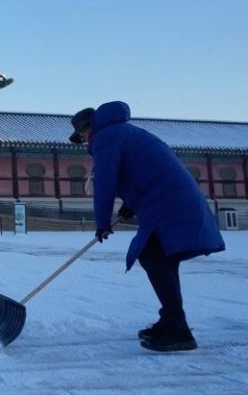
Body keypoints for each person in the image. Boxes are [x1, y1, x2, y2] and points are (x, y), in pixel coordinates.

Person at [70, 101, 225, 352]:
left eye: (81, 136)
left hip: (168, 203)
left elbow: (105, 181)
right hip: (173, 199)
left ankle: (177, 329)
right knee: (160, 256)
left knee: (153, 254)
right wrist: (130, 204)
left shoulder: (105, 137)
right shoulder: (126, 132)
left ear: (86, 130)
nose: (84, 140)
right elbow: (143, 171)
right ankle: (172, 321)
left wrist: (101, 222)